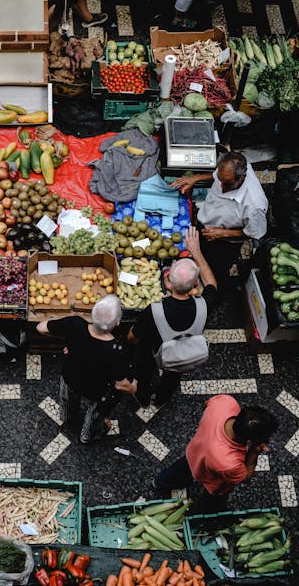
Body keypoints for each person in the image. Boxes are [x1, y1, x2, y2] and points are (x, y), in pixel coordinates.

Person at [128, 226, 216, 408]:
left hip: (153, 351)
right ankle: (161, 400)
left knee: (143, 373)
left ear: (168, 283)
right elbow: (212, 283)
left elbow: (133, 337)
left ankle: (143, 399)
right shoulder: (204, 303)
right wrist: (196, 252)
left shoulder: (154, 309)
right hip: (182, 354)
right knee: (173, 376)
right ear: (196, 284)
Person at [152, 396, 278, 514]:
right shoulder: (229, 464)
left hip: (194, 452)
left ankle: (160, 483)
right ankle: (203, 514)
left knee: (180, 470)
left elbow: (207, 403)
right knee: (213, 500)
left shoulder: (226, 402)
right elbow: (245, 477)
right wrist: (254, 451)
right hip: (211, 479)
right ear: (250, 439)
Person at [36, 294, 135, 443]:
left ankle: (68, 417)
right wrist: (133, 388)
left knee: (67, 400)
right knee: (96, 415)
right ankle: (87, 435)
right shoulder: (117, 350)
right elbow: (120, 384)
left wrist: (70, 341)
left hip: (71, 378)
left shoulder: (74, 324)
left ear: (92, 313)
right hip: (97, 390)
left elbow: (41, 328)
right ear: (117, 323)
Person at [170, 152, 268, 290]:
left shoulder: (254, 205)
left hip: (224, 244)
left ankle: (213, 297)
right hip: (206, 225)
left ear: (242, 177)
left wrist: (223, 233)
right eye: (220, 181)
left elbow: (254, 232)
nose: (221, 187)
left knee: (215, 272)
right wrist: (196, 178)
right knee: (196, 257)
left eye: (227, 184)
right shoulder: (226, 173)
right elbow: (215, 177)